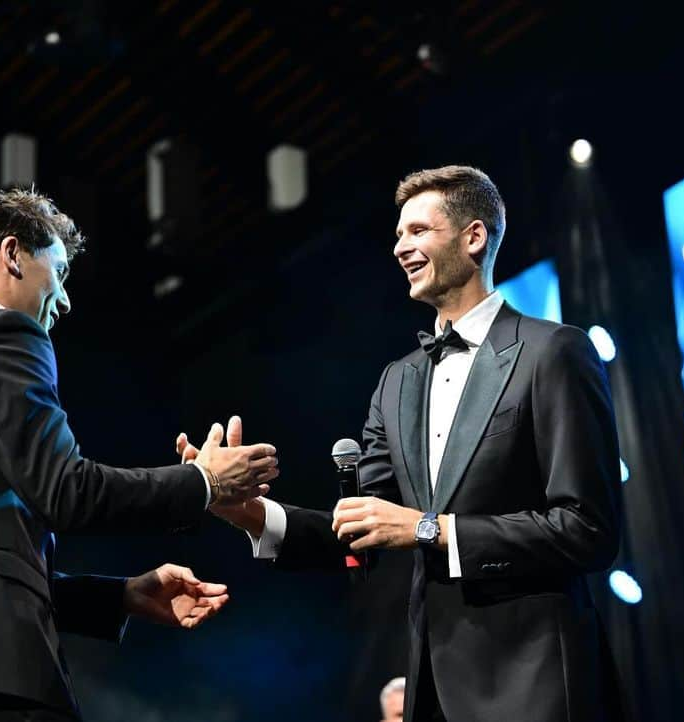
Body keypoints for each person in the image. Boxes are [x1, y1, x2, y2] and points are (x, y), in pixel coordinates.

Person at [184, 166, 623, 721]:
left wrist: (428, 529)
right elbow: (361, 531)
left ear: (474, 237)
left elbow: (588, 530)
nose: (400, 247)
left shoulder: (553, 352)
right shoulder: (398, 382)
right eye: (397, 235)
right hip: (434, 690)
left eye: (417, 231)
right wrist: (249, 514)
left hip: (535, 683)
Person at [0, 188, 280, 721]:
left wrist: (121, 597)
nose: (63, 300)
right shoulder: (3, 334)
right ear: (12, 253)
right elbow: (67, 492)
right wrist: (205, 483)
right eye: (59, 272)